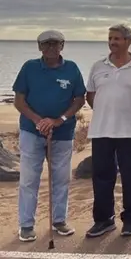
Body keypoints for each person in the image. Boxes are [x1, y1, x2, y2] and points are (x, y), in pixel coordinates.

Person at [14, 30, 86, 242]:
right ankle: (26, 225)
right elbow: (19, 101)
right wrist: (39, 121)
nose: (51, 48)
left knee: (61, 179)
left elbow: (79, 99)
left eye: (55, 44)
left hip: (62, 133)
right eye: (46, 44)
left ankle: (59, 221)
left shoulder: (72, 68)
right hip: (31, 131)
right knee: (29, 179)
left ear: (62, 46)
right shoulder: (29, 67)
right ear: (39, 47)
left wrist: (58, 120)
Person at [85, 24, 131, 238]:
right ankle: (104, 220)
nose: (113, 42)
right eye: (111, 38)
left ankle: (130, 219)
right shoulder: (98, 66)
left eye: (118, 39)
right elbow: (91, 96)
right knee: (102, 176)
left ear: (128, 41)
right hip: (101, 130)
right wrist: (107, 111)